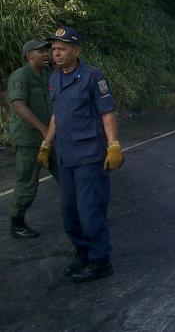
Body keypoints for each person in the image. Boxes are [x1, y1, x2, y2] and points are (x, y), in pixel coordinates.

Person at [37, 26, 124, 283]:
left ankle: (100, 260)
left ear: (76, 50)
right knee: (69, 212)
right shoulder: (54, 79)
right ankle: (82, 252)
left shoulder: (92, 77)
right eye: (54, 49)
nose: (56, 54)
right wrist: (47, 144)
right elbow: (57, 115)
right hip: (66, 156)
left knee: (90, 211)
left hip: (89, 155)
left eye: (62, 49)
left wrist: (114, 145)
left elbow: (107, 113)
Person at [7, 39, 60, 238]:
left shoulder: (48, 74)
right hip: (29, 139)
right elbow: (19, 105)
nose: (47, 54)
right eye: (41, 51)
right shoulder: (20, 76)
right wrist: (42, 128)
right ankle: (17, 224)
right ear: (30, 55)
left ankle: (82, 212)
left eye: (47, 51)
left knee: (66, 174)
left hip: (51, 136)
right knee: (27, 182)